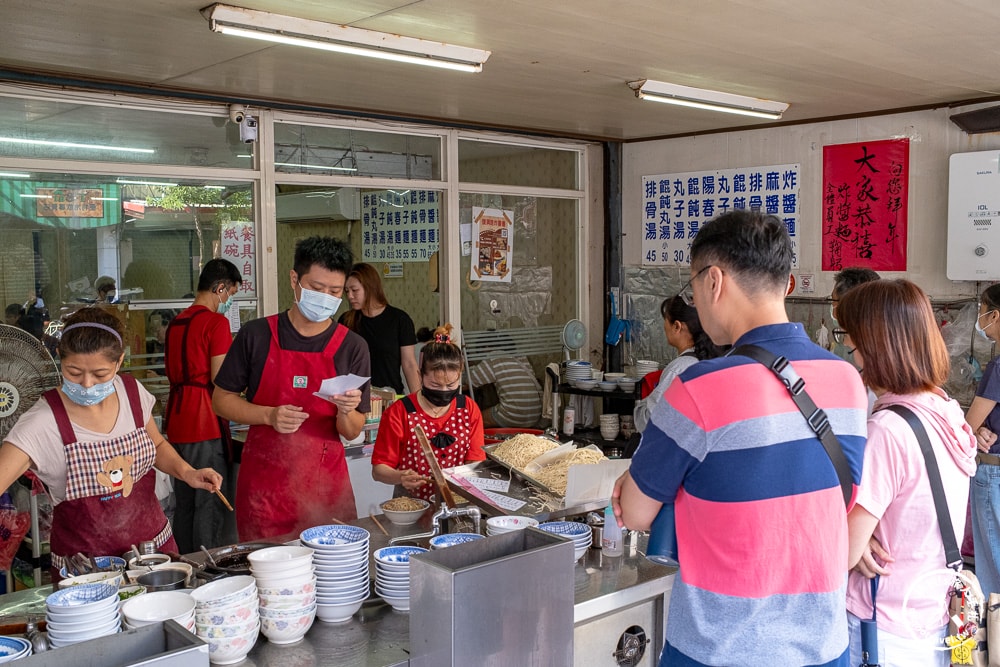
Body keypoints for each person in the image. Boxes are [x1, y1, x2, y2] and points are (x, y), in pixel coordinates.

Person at [614, 210, 868, 666]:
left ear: (713, 281)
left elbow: (633, 512)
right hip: (824, 647)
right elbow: (838, 501)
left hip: (720, 650)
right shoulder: (847, 380)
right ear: (785, 282)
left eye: (692, 286)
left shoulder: (697, 388)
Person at [0, 307, 222, 579]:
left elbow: (157, 446)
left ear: (119, 362)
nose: (87, 384)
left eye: (100, 374)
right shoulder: (41, 423)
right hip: (87, 574)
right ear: (59, 357)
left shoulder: (132, 393)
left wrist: (188, 472)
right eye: (74, 372)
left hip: (154, 557)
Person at [837, 279, 976, 666]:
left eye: (851, 341)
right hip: (932, 617)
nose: (850, 353)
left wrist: (855, 541)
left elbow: (843, 551)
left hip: (882, 629)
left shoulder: (887, 430)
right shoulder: (945, 410)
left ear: (876, 346)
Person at [213, 237, 371, 541]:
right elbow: (221, 401)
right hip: (265, 492)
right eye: (316, 288)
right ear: (294, 279)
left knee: (331, 566)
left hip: (325, 492)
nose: (325, 297)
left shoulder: (353, 347)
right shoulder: (256, 335)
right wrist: (269, 416)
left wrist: (345, 411)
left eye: (334, 292)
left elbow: (352, 431)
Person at [163, 258, 241, 553]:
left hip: (177, 419)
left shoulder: (176, 323)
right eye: (230, 293)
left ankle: (185, 563)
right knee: (209, 501)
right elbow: (221, 378)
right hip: (204, 418)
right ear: (220, 288)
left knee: (184, 502)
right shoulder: (216, 323)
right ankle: (209, 566)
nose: (229, 301)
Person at [371, 324, 485, 501]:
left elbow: (475, 460)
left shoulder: (468, 408)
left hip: (458, 500)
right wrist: (400, 476)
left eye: (451, 385)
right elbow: (379, 470)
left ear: (459, 376)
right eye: (435, 385)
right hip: (412, 503)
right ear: (420, 375)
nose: (444, 391)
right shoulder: (400, 412)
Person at [633, 295, 723, 434]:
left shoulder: (679, 368)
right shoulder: (715, 361)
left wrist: (642, 405)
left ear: (677, 326)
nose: (664, 327)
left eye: (665, 320)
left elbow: (648, 421)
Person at [965, 283, 1000, 598]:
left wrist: (975, 432)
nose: (981, 318)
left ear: (995, 316)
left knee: (993, 564)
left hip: (993, 470)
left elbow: (967, 427)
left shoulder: (998, 368)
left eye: (982, 311)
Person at [339, 262, 420, 394]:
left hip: (391, 395)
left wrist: (417, 399)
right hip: (355, 397)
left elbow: (409, 364)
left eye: (355, 290)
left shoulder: (400, 320)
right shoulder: (346, 320)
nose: (350, 296)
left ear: (370, 287)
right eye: (347, 291)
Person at [468, 355, 542, 429]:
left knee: (474, 420)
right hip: (536, 414)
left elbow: (468, 381)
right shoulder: (521, 357)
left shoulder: (494, 359)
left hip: (515, 414)